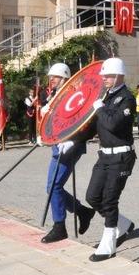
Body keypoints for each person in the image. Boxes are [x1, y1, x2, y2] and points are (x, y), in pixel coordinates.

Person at [78, 57, 137, 262]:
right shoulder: (106, 97)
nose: (105, 79)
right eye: (104, 76)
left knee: (109, 200)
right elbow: (96, 126)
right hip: (104, 155)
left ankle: (108, 245)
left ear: (120, 75)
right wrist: (68, 138)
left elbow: (112, 124)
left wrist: (100, 109)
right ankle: (122, 225)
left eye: (109, 75)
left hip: (121, 156)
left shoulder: (127, 98)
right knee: (92, 197)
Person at [38, 63, 94, 244]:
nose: (51, 80)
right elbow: (52, 123)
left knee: (53, 185)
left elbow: (83, 121)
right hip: (58, 145)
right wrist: (43, 122)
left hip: (71, 145)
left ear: (64, 77)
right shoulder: (53, 96)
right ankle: (82, 212)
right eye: (51, 77)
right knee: (52, 186)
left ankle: (60, 227)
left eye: (54, 77)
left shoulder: (74, 95)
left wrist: (74, 140)